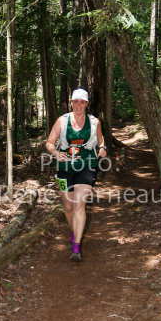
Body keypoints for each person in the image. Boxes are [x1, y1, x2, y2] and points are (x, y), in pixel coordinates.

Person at [46, 88, 107, 261]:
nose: (78, 105)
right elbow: (50, 143)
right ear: (71, 102)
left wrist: (102, 148)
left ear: (87, 104)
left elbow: (101, 141)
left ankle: (77, 247)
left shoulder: (94, 122)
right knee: (68, 207)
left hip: (87, 166)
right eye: (76, 101)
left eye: (82, 101)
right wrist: (56, 153)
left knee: (79, 204)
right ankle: (74, 232)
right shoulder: (62, 121)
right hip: (65, 168)